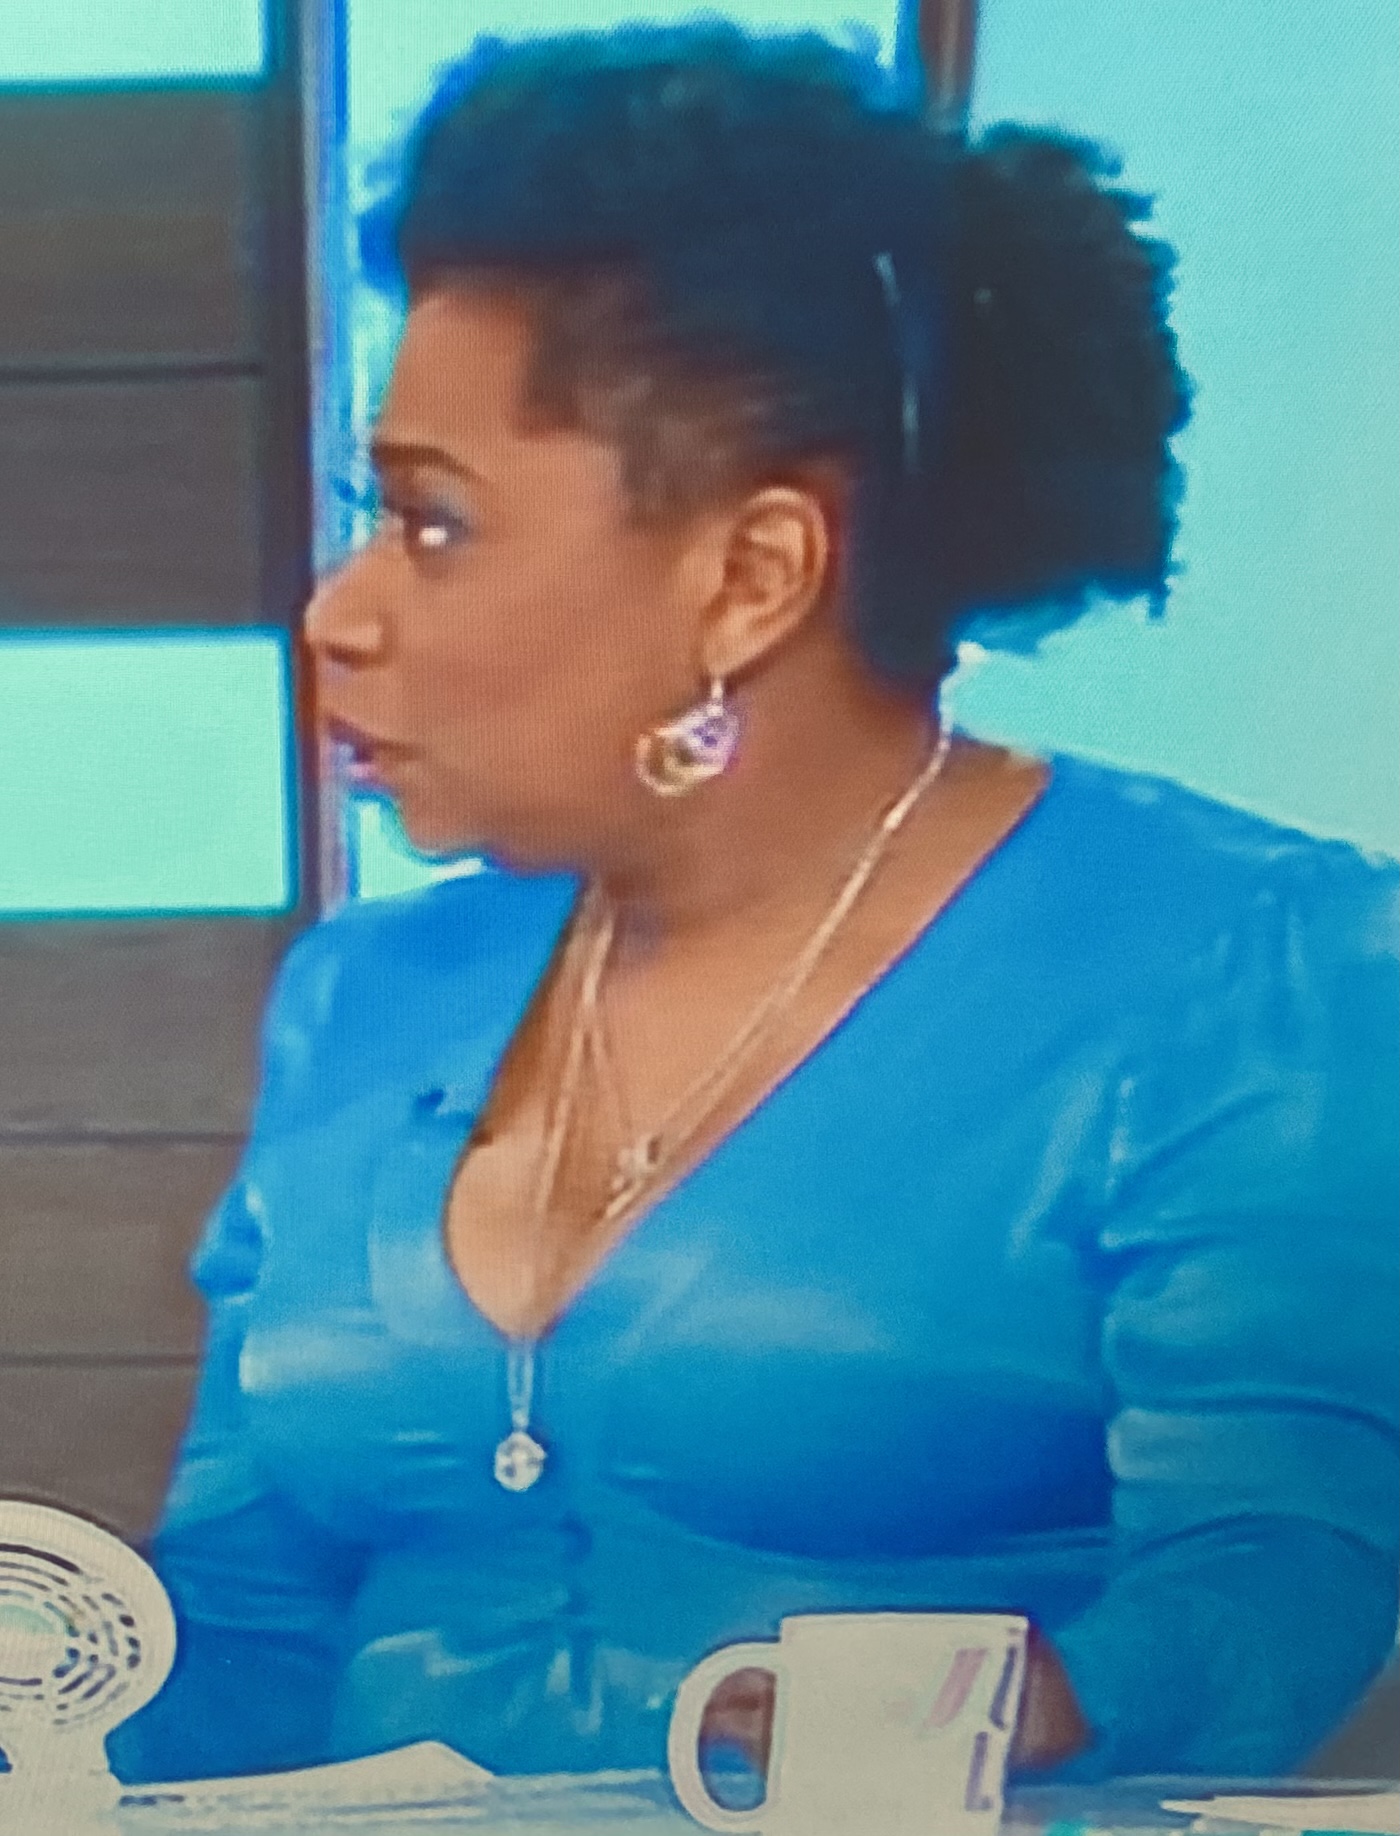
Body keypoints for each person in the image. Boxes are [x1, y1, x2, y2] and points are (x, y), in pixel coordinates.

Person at [112, 24, 1400, 1790]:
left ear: (750, 577)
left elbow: (1269, 1587)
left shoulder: (1249, 964)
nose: (338, 612)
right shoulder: (367, 995)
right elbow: (242, 1623)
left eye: (432, 525)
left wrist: (940, 1724)